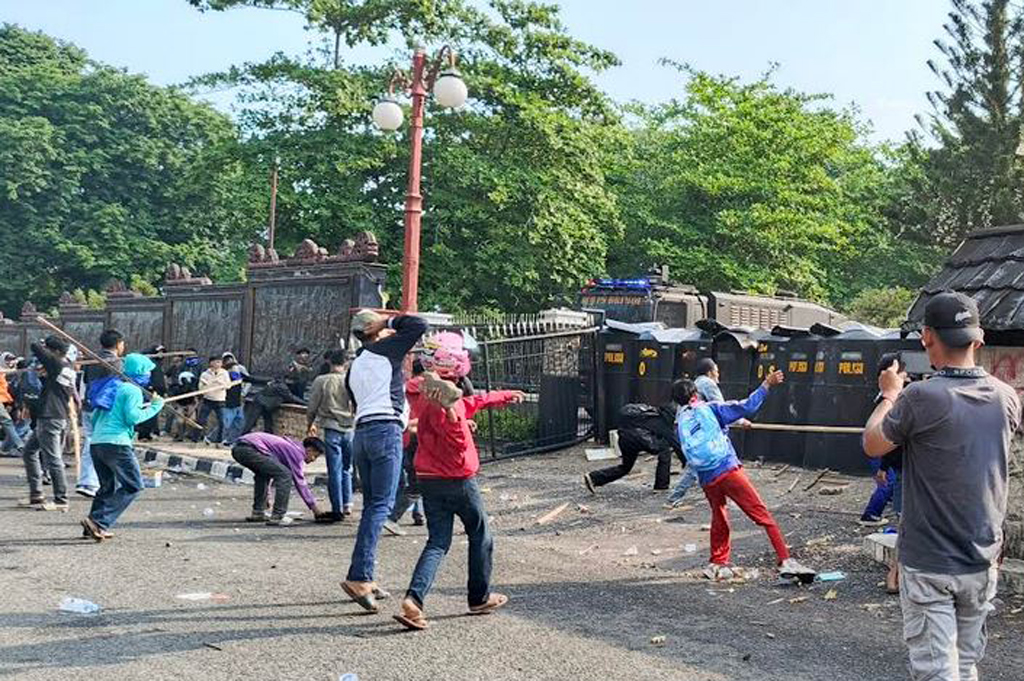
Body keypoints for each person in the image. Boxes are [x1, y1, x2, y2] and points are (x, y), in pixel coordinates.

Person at [862, 292, 1020, 681]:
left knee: (937, 671)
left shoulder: (919, 397)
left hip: (930, 561)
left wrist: (889, 394)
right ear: (978, 339)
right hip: (982, 559)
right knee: (964, 666)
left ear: (927, 337)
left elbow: (873, 443)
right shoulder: (1006, 398)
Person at [394, 372, 523, 630]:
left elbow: (480, 400)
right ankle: (479, 598)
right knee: (481, 535)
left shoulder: (427, 406)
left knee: (437, 542)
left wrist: (507, 396)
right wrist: (454, 416)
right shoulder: (452, 411)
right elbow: (458, 443)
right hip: (458, 482)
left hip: (429, 480)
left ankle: (413, 599)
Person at [671, 371, 811, 580]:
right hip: (727, 470)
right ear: (696, 393)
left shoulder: (681, 421)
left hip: (706, 478)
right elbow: (747, 406)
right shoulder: (712, 408)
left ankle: (717, 562)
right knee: (762, 515)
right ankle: (785, 560)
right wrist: (766, 384)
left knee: (719, 515)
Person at [341, 309, 428, 613]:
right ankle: (359, 576)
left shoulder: (354, 367)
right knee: (380, 506)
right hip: (384, 432)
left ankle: (366, 574)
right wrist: (387, 322)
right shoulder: (384, 350)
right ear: (373, 328)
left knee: (373, 507)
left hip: (362, 434)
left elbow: (355, 401)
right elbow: (418, 324)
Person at [80, 353, 165, 541]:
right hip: (117, 444)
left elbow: (95, 417)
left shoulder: (111, 386)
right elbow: (133, 418)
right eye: (148, 373)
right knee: (133, 485)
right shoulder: (132, 390)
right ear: (140, 373)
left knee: (107, 487)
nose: (149, 376)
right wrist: (156, 406)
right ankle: (100, 522)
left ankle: (93, 526)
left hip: (98, 443)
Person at [665, 358, 749, 508]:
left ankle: (720, 494)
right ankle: (674, 497)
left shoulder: (696, 383)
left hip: (684, 427)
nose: (718, 374)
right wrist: (741, 421)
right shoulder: (708, 384)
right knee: (703, 463)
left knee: (701, 462)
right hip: (700, 430)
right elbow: (722, 408)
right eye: (716, 370)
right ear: (710, 372)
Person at [20, 336, 76, 511]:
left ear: (56, 352)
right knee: (29, 451)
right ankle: (36, 494)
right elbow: (50, 386)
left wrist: (43, 343)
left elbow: (34, 345)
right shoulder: (67, 367)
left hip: (50, 416)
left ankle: (61, 499)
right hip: (55, 414)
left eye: (50, 350)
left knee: (53, 458)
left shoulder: (57, 364)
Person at [583, 401, 680, 493]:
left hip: (624, 439)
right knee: (665, 450)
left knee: (625, 467)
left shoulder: (648, 412)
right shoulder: (663, 423)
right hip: (641, 440)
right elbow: (676, 445)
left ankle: (594, 477)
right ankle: (661, 486)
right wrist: (687, 462)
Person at [230, 432, 326, 525]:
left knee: (263, 474)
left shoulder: (292, 446)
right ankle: (278, 515)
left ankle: (258, 512)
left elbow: (271, 469)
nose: (313, 460)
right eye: (315, 456)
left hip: (240, 448)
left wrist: (267, 495)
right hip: (249, 449)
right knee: (285, 475)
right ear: (309, 449)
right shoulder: (297, 455)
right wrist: (315, 508)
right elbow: (300, 483)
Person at [306, 348, 355, 522]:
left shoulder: (322, 380)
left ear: (330, 363)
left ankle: (337, 507)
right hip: (350, 428)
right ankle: (348, 503)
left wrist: (310, 423)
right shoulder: (351, 380)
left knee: (334, 470)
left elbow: (312, 406)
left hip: (331, 427)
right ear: (346, 363)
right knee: (347, 468)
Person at [77, 329, 126, 498]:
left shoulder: (91, 360)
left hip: (88, 405)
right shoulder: (117, 363)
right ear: (119, 344)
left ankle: (88, 481)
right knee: (107, 444)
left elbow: (84, 382)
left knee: (91, 442)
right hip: (105, 408)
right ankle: (94, 483)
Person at [192, 356, 232, 444]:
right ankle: (195, 439)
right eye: (216, 362)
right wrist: (208, 385)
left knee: (222, 421)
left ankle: (219, 440)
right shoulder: (205, 374)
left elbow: (228, 385)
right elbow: (200, 388)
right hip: (208, 400)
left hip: (220, 400)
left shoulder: (224, 373)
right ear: (211, 363)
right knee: (201, 420)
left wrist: (220, 384)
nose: (218, 364)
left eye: (220, 362)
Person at [135, 344, 167, 441]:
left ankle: (151, 432)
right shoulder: (149, 363)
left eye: (162, 352)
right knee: (148, 412)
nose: (161, 354)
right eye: (158, 352)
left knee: (154, 413)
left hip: (158, 391)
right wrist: (150, 387)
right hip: (150, 391)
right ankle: (144, 433)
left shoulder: (159, 364)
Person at [220, 356, 252, 446]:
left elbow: (250, 379)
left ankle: (232, 441)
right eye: (233, 367)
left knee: (239, 424)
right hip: (228, 403)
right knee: (226, 424)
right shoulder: (224, 375)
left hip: (238, 403)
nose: (235, 368)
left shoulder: (238, 375)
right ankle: (217, 439)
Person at [0, 353, 25, 456]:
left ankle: (8, 447)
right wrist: (20, 370)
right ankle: (20, 445)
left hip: (7, 402)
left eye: (11, 360)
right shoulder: (4, 371)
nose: (9, 362)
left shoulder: (7, 374)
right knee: (7, 421)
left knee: (9, 423)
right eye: (7, 360)